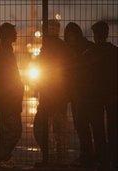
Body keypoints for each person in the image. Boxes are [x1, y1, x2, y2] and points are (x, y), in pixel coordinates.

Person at [34, 19, 73, 165]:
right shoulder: (61, 47)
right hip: (59, 95)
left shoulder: (47, 47)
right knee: (59, 129)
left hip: (50, 95)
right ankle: (60, 158)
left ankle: (49, 155)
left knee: (41, 127)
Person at [83, 21, 117, 170]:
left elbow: (84, 76)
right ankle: (114, 158)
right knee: (113, 129)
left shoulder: (89, 53)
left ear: (96, 35)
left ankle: (102, 159)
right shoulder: (114, 52)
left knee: (98, 129)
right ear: (107, 34)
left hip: (94, 96)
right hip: (112, 95)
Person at [0, 23, 24, 169]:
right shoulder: (5, 54)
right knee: (13, 130)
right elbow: (8, 79)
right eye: (14, 32)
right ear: (8, 35)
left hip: (6, 99)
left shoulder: (4, 52)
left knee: (8, 130)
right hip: (8, 100)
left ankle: (2, 156)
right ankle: (0, 157)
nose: (16, 34)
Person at [63, 22, 95, 167]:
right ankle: (90, 155)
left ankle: (88, 156)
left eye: (71, 36)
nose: (70, 40)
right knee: (84, 126)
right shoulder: (81, 49)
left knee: (84, 126)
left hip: (85, 94)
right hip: (80, 94)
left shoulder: (81, 50)